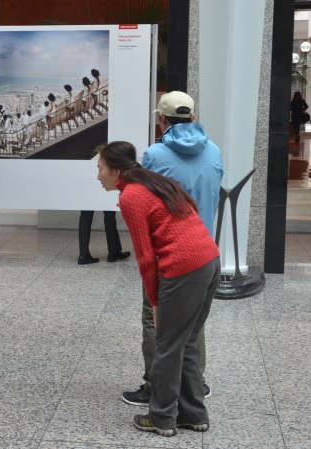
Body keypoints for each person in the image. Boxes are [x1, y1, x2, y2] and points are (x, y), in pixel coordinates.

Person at [97, 140, 220, 437]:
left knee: (167, 346)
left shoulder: (132, 196)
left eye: (100, 169)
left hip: (184, 270)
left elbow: (146, 257)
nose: (98, 175)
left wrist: (154, 300)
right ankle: (193, 414)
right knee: (187, 342)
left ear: (116, 171)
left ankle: (162, 417)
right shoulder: (156, 183)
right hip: (208, 260)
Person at [123, 91, 223, 407]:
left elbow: (145, 202)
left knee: (156, 318)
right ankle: (195, 383)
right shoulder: (215, 151)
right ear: (193, 117)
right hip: (204, 248)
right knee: (194, 321)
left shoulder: (154, 154)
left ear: (162, 120)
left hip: (168, 251)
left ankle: (156, 386)